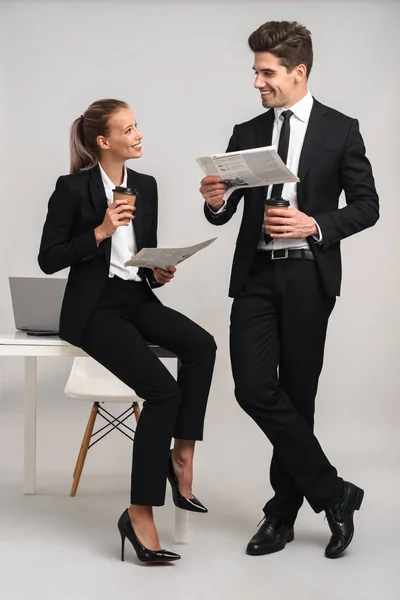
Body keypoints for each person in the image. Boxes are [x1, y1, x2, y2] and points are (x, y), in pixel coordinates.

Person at [200, 21, 379, 559]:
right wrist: (213, 198)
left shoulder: (340, 129)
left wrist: (314, 224)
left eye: (267, 72)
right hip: (255, 274)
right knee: (253, 389)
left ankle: (281, 515)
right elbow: (223, 212)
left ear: (298, 73)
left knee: (299, 397)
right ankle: (335, 493)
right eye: (256, 72)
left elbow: (368, 206)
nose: (258, 82)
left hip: (308, 273)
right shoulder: (246, 131)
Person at [38, 99, 217, 564]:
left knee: (202, 345)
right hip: (94, 311)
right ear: (104, 141)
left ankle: (182, 456)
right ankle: (139, 514)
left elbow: (141, 256)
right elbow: (49, 257)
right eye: (129, 128)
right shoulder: (72, 188)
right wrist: (98, 231)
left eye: (137, 126)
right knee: (162, 393)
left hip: (135, 298)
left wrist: (157, 273)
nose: (138, 134)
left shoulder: (146, 185)